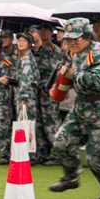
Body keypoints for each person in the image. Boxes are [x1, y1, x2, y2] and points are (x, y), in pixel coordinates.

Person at [48, 18, 100, 199]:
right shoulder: (77, 53)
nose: (71, 43)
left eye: (76, 38)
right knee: (61, 142)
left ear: (87, 36)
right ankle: (71, 177)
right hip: (81, 107)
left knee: (96, 159)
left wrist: (73, 75)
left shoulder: (99, 52)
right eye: (68, 39)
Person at [34, 23, 64, 165]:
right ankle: (43, 153)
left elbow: (56, 71)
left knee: (51, 124)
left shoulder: (54, 50)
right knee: (39, 124)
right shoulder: (37, 50)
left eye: (46, 30)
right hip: (37, 91)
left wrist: (46, 86)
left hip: (49, 91)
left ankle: (59, 155)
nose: (43, 32)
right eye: (41, 29)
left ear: (52, 33)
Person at [14, 32, 40, 164]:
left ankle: (31, 156)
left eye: (24, 41)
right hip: (26, 95)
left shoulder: (27, 59)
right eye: (19, 40)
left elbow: (26, 80)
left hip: (27, 96)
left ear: (30, 44)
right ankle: (29, 155)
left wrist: (23, 99)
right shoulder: (23, 58)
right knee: (27, 125)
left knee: (28, 125)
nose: (20, 42)